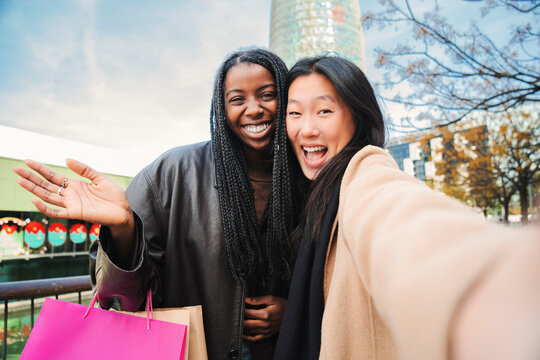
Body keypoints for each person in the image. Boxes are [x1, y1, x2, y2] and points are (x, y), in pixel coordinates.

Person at [13, 48, 305, 360]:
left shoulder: (308, 177)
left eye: (267, 95)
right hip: (191, 351)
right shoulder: (172, 172)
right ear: (221, 109)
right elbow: (119, 299)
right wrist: (124, 230)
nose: (253, 109)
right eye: (237, 99)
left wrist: (294, 310)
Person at [274, 55, 540, 360]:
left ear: (357, 116)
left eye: (324, 111)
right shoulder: (314, 194)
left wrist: (483, 289)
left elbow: (398, 216)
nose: (307, 129)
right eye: (295, 113)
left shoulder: (364, 170)